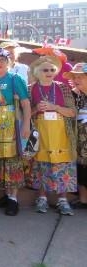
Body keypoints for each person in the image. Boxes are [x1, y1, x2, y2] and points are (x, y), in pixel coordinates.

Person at [0, 48, 31, 216]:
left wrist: (26, 125)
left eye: (2, 59)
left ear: (8, 62)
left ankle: (13, 199)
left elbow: (25, 103)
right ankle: (6, 194)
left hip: (11, 123)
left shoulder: (15, 79)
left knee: (12, 161)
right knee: (0, 162)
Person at [29, 56, 77, 216]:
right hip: (39, 132)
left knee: (62, 165)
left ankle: (62, 200)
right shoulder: (31, 88)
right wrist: (36, 108)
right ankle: (41, 198)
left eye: (52, 70)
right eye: (45, 70)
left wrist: (54, 107)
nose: (49, 72)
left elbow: (72, 112)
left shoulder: (63, 88)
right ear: (37, 72)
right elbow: (25, 113)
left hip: (61, 132)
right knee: (41, 165)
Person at [64, 63, 87, 209]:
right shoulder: (73, 94)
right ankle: (83, 199)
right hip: (79, 139)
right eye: (75, 77)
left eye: (81, 77)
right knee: (81, 167)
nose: (77, 80)